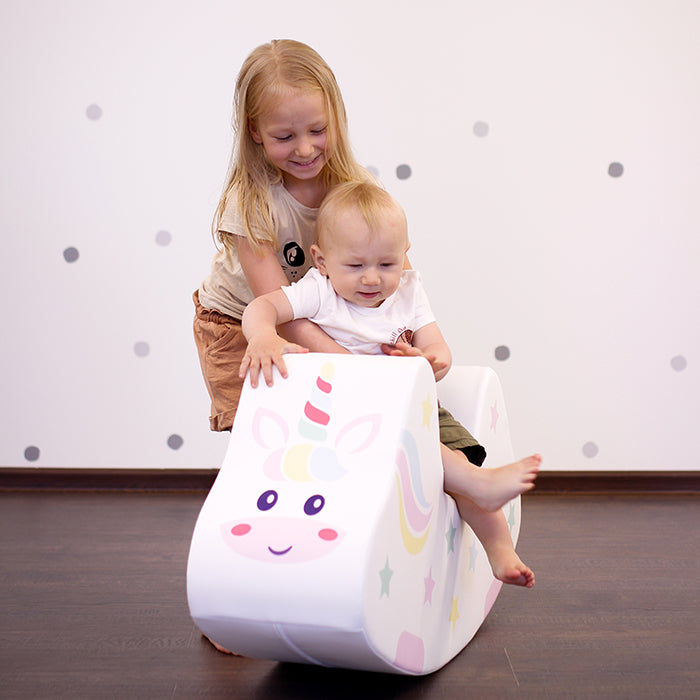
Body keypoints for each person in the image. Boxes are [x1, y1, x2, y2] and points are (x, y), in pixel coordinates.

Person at [193, 39, 485, 467]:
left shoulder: (353, 183)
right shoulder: (251, 203)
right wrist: (354, 366)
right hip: (244, 322)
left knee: (338, 424)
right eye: (284, 136)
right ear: (255, 131)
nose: (306, 149)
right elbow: (280, 312)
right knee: (270, 434)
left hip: (313, 309)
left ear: (335, 119)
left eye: (317, 130)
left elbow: (400, 278)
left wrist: (422, 346)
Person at [241, 181, 541, 588]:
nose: (372, 278)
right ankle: (480, 485)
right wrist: (262, 336)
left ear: (405, 255)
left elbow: (439, 352)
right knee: (442, 460)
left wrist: (427, 360)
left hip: (408, 402)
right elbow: (263, 306)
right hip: (345, 411)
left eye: (386, 264)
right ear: (322, 260)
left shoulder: (410, 291)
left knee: (455, 462)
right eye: (355, 266)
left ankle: (500, 550)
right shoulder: (319, 292)